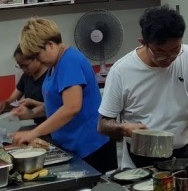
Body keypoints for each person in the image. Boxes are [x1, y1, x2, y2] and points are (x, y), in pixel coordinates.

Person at [98, 5, 188, 168]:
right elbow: (103, 124)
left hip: (181, 155)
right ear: (143, 43)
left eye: (175, 50)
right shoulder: (121, 71)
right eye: (160, 52)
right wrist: (124, 129)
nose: (169, 58)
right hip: (140, 160)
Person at [11, 17, 117, 173]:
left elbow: (71, 107)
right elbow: (58, 105)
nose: (38, 61)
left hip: (91, 147)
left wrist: (34, 133)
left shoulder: (70, 61)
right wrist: (32, 112)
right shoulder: (54, 65)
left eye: (37, 55)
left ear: (50, 45)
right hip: (70, 146)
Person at [0, 45, 48, 125]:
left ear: (37, 58)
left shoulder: (50, 76)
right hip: (31, 124)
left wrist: (33, 103)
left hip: (48, 125)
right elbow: (12, 100)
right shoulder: (26, 76)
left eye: (26, 66)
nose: (23, 70)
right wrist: (4, 104)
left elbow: (56, 106)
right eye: (20, 66)